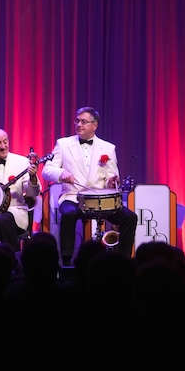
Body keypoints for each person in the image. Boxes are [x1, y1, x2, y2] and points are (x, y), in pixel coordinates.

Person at [42, 107, 137, 265]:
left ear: (95, 125)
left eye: (84, 122)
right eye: (77, 121)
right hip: (73, 197)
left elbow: (113, 176)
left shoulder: (108, 148)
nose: (79, 124)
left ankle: (123, 261)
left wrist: (113, 181)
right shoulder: (63, 144)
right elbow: (47, 170)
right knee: (68, 214)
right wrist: (61, 174)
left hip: (100, 200)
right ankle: (66, 262)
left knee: (130, 218)